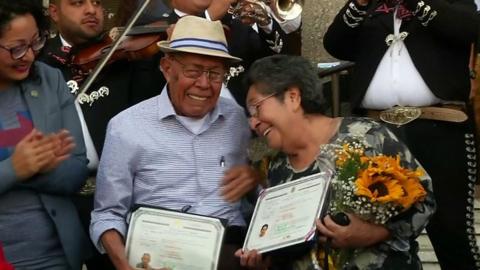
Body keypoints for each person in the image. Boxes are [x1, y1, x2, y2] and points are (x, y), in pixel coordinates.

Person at [90, 16, 260, 270]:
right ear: (167, 68)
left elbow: (249, 194)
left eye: (215, 74)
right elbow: (107, 215)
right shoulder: (127, 127)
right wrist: (125, 266)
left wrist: (254, 178)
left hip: (229, 253)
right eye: (193, 71)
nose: (204, 84)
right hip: (158, 258)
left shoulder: (235, 118)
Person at [234, 55, 436, 269]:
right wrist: (262, 261)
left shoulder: (365, 137)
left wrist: (375, 233)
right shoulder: (272, 169)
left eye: (256, 108)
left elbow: (424, 199)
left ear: (293, 97)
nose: (253, 122)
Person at [323, 0, 480, 268]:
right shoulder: (368, 8)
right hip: (378, 135)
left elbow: (469, 29)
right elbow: (336, 44)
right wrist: (359, 3)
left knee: (452, 233)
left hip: (439, 128)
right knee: (377, 231)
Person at [39, 0, 164, 269]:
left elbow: (149, 105)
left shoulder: (123, 55)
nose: (91, 10)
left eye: (96, 2)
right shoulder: (37, 65)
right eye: (77, 3)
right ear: (53, 11)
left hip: (123, 196)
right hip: (63, 199)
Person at [0, 0, 90, 269]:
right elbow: (18, 168)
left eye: (35, 43)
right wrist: (14, 169)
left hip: (55, 255)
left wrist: (41, 169)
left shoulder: (50, 80)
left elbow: (76, 170)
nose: (28, 56)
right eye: (16, 48)